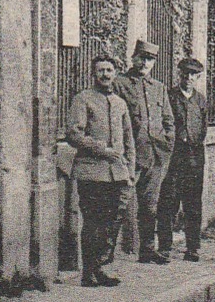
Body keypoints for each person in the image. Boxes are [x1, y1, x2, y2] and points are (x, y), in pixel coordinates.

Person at [65, 56, 133, 288]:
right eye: (101, 70)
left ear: (116, 73)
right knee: (93, 223)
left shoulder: (120, 103)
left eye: (109, 70)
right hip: (92, 173)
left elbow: (128, 140)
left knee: (111, 223)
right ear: (93, 74)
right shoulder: (83, 99)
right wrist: (102, 149)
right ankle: (88, 272)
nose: (105, 74)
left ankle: (101, 267)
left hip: (117, 173)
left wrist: (129, 170)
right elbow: (73, 135)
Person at [114, 40, 175, 265]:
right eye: (141, 57)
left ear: (154, 63)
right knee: (119, 203)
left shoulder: (159, 87)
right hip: (130, 156)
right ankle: (107, 253)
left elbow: (168, 120)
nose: (144, 62)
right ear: (133, 57)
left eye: (149, 59)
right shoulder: (120, 84)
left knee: (150, 206)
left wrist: (167, 145)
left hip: (155, 155)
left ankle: (148, 249)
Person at [161, 57, 208, 261]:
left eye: (193, 75)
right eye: (185, 74)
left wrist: (195, 142)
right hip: (174, 156)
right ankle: (164, 246)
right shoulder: (170, 97)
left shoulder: (200, 99)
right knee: (168, 201)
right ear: (179, 74)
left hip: (195, 157)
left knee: (193, 203)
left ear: (198, 77)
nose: (188, 78)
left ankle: (192, 247)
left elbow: (204, 126)